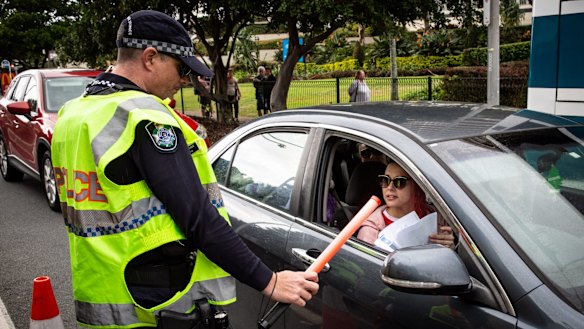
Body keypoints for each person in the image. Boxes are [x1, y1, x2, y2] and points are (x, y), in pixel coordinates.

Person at [51, 10, 318, 328]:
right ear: (150, 58)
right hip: (157, 304)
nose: (185, 80)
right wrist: (270, 281)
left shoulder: (75, 113)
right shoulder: (143, 117)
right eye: (180, 69)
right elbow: (199, 219)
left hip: (101, 299)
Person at [357, 161, 455, 248]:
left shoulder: (437, 217)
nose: (390, 187)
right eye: (385, 180)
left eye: (399, 182)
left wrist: (450, 249)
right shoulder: (370, 232)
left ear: (417, 185)